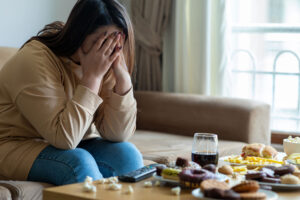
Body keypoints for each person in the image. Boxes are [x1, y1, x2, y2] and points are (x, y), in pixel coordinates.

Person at [0, 0, 144, 186]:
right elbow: (64, 138)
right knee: (78, 162)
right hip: (15, 145)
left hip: (72, 141)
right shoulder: (34, 59)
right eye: (99, 42)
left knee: (127, 155)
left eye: (114, 43)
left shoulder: (106, 62)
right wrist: (92, 78)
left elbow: (117, 134)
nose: (107, 50)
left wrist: (123, 80)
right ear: (78, 35)